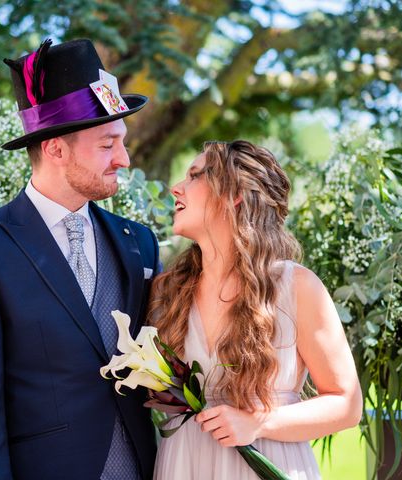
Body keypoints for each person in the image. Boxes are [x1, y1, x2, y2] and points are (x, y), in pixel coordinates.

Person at [0, 38, 160, 480]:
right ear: (56, 148)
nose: (124, 159)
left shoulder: (140, 243)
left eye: (122, 142)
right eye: (106, 144)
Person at [149, 140, 363, 479]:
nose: (177, 188)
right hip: (184, 464)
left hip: (266, 462)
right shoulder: (169, 291)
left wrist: (259, 422)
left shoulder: (296, 287)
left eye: (193, 176)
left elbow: (347, 404)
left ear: (233, 193)